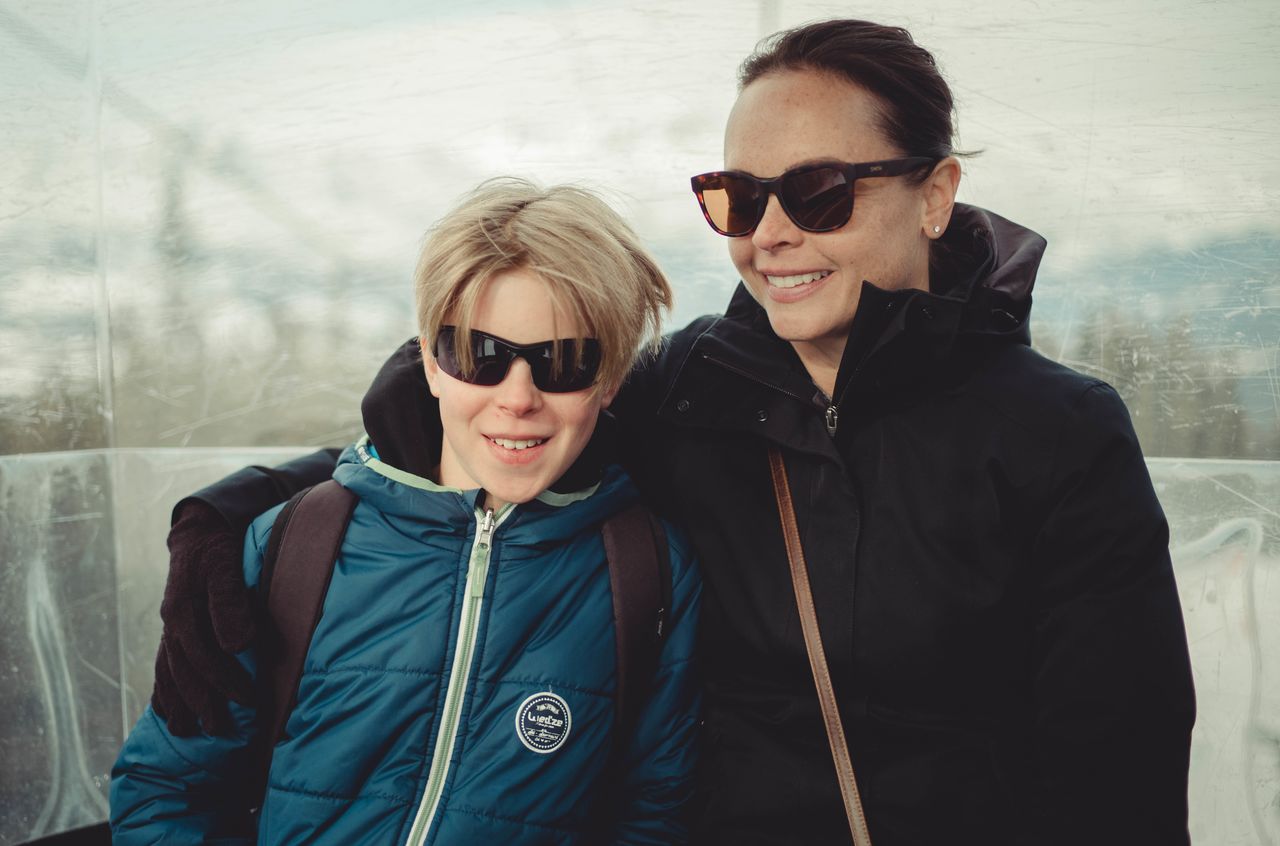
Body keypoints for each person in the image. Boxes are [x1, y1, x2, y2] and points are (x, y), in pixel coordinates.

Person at [145, 19, 1196, 846]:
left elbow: (1116, 769)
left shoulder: (1054, 433)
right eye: (737, 197)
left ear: (934, 194)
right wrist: (239, 509)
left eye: (818, 192)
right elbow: (493, 427)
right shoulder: (685, 391)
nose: (769, 234)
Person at [110, 180, 702, 844]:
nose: (518, 397)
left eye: (563, 362)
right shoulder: (295, 547)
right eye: (480, 355)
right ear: (429, 362)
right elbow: (168, 788)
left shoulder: (646, 576)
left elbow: (652, 816)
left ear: (612, 379)